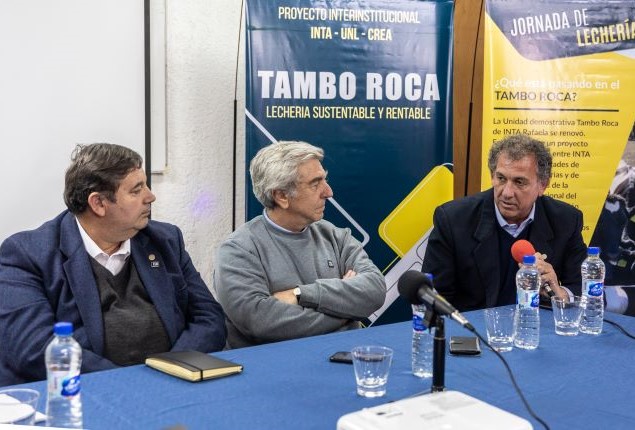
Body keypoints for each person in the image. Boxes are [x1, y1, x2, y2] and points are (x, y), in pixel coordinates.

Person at [0, 143, 226, 386]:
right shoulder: (27, 254)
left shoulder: (165, 240)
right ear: (98, 203)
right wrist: (129, 383)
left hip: (172, 386)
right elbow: (35, 348)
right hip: (83, 393)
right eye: (136, 190)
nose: (150, 196)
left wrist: (170, 372)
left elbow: (209, 318)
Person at [213, 141, 386, 348]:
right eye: (315, 184)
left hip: (344, 358)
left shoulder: (335, 236)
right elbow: (260, 321)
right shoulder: (238, 250)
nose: (328, 192)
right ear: (281, 196)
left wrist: (300, 294)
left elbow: (375, 290)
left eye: (325, 180)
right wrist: (348, 310)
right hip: (275, 365)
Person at [421, 134, 587, 311]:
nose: (507, 193)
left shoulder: (565, 220)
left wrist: (559, 293)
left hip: (535, 324)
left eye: (519, 182)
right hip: (473, 325)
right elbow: (431, 297)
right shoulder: (454, 220)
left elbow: (584, 290)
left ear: (542, 185)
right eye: (501, 178)